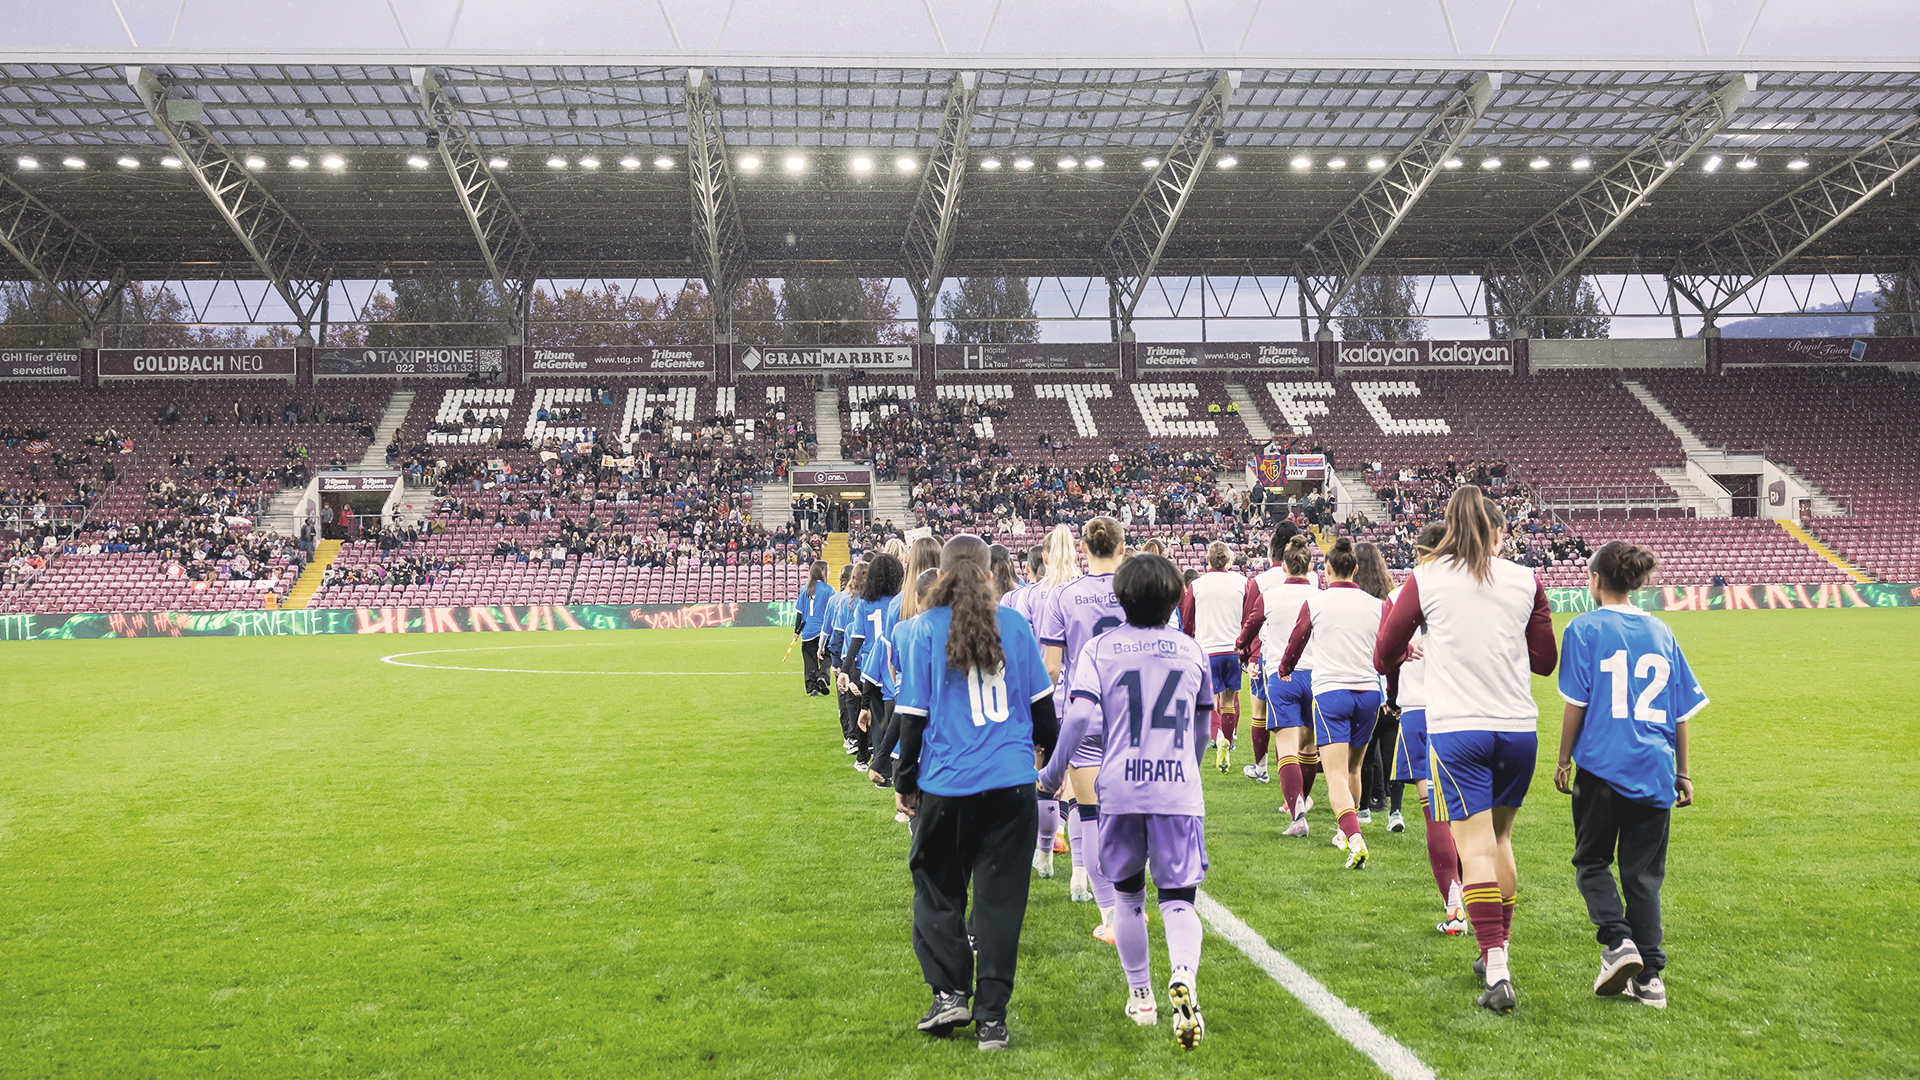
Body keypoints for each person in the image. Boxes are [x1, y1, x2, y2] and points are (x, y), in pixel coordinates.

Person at [1375, 486, 1557, 1015]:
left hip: (1457, 728)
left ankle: (1496, 966)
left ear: (1449, 527)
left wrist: (1422, 645)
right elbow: (1545, 660)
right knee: (1500, 841)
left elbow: (1385, 652)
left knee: (1474, 849)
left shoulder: (1428, 577)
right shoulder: (1525, 579)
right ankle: (1497, 948)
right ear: (1497, 531)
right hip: (1517, 728)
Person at [1037, 552, 1213, 1049]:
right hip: (1176, 788)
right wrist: (1188, 769)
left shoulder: (1099, 649)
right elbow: (1204, 727)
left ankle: (1142, 998)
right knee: (1178, 900)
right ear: (1174, 598)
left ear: (1122, 597)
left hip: (1120, 788)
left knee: (1130, 898)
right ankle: (1183, 975)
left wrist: (1052, 772)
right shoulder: (1192, 650)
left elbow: (1078, 718)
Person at [893, 534, 1059, 1051]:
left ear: (940, 576)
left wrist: (904, 783)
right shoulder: (1015, 625)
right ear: (990, 575)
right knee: (999, 904)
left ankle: (949, 993)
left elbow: (912, 719)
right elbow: (1046, 718)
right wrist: (1040, 759)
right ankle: (992, 1020)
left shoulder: (924, 628)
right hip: (1010, 786)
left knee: (935, 887)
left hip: (948, 784)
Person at [1554, 541, 1706, 1010]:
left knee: (1591, 862)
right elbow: (1681, 711)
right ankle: (1651, 979)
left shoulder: (1582, 628)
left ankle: (1618, 942)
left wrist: (1563, 760)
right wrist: (1683, 772)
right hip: (1655, 768)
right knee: (1643, 877)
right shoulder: (1661, 631)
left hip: (1602, 766)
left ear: (1596, 580)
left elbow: (1576, 703)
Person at [1037, 516, 1128, 943]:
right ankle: (1132, 903)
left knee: (1088, 815)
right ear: (1122, 547)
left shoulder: (1064, 596)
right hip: (1131, 716)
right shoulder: (1135, 588)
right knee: (1129, 816)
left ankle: (1109, 914)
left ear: (1084, 550)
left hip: (1084, 713)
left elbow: (1052, 669)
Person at [1277, 537, 1386, 869]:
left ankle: (1353, 837)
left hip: (1331, 693)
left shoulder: (1317, 603)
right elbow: (1387, 648)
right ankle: (1344, 831)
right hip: (1368, 693)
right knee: (1354, 768)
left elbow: (1296, 642)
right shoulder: (1377, 605)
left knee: (1335, 774)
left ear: (1326, 570)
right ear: (1356, 569)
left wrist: (1284, 669)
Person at [1386, 523, 1467, 935]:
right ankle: (1478, 905)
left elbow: (1383, 654)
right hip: (1467, 712)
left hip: (1420, 709)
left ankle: (1455, 909)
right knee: (1469, 817)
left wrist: (1392, 693)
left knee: (1435, 813)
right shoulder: (1472, 591)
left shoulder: (1401, 594)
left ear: (1418, 553)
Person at [1237, 531, 1324, 834]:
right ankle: (1303, 800)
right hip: (1316, 675)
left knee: (1286, 747)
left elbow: (1247, 632)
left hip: (1282, 676)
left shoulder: (1270, 596)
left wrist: (1243, 652)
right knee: (1309, 746)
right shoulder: (1319, 597)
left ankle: (1297, 817)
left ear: (1283, 566)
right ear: (1310, 567)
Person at [1177, 540, 1249, 773]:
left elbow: (1188, 622)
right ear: (1229, 560)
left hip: (1207, 651)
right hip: (1232, 650)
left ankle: (1218, 739)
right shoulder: (1242, 582)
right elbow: (1248, 619)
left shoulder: (1197, 585)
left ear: (1207, 559)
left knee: (1207, 702)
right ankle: (1226, 746)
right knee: (1228, 703)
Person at [848, 553, 907, 784]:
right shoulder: (901, 601)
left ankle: (880, 768)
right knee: (898, 719)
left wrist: (845, 668)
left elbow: (858, 638)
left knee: (878, 722)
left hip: (872, 664)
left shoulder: (865, 603)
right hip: (895, 665)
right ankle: (894, 765)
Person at [795, 560, 834, 696]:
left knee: (809, 660)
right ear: (822, 571)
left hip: (808, 632)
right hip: (823, 631)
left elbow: (799, 613)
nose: (829, 572)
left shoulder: (804, 589)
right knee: (826, 656)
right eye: (827, 570)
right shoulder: (829, 590)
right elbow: (832, 613)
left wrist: (796, 631)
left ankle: (813, 688)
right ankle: (823, 677)